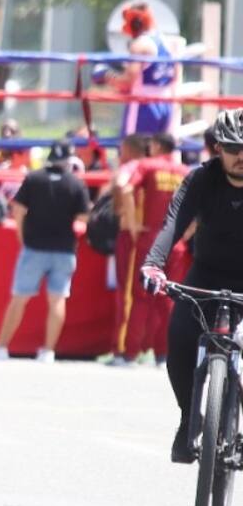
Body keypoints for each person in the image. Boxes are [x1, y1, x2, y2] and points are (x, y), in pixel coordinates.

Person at [141, 109, 243, 463]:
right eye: (232, 147)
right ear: (217, 148)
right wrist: (154, 264)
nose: (240, 156)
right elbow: (173, 222)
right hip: (206, 276)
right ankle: (189, 418)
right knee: (180, 340)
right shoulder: (201, 179)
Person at [0, 141, 91, 363]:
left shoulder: (34, 178)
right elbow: (84, 217)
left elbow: (18, 209)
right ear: (69, 160)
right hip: (64, 249)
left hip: (34, 247)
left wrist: (22, 236)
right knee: (58, 300)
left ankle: (1, 347)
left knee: (19, 299)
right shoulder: (75, 184)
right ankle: (48, 351)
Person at [112, 133, 189, 367]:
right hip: (176, 243)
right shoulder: (184, 171)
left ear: (155, 145)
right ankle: (163, 354)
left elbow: (124, 188)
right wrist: (187, 233)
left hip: (149, 240)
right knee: (168, 300)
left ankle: (129, 353)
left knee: (139, 297)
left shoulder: (146, 165)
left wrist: (133, 225)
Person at [107, 133, 152, 365]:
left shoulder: (132, 167)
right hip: (154, 233)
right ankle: (145, 346)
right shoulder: (161, 168)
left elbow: (121, 186)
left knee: (128, 294)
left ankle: (123, 349)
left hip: (132, 234)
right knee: (151, 295)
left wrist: (127, 217)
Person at [103, 2, 179, 138]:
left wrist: (106, 76)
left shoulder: (140, 45)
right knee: (157, 153)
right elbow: (175, 76)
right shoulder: (169, 43)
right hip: (166, 105)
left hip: (143, 105)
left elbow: (128, 81)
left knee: (133, 150)